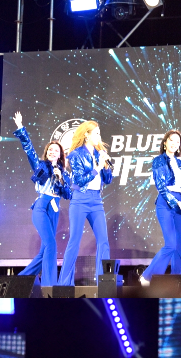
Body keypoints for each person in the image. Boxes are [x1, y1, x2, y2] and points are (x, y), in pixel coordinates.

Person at [11, 112, 72, 286]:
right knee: (51, 245)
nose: (52, 152)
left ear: (60, 155)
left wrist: (60, 178)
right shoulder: (40, 166)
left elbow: (68, 194)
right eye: (50, 150)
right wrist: (20, 127)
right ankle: (49, 285)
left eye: (56, 150)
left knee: (44, 251)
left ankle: (20, 281)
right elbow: (29, 149)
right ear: (47, 153)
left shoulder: (64, 174)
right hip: (41, 206)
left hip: (55, 208)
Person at [59, 121, 113, 286]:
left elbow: (108, 180)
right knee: (74, 240)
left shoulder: (99, 153)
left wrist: (105, 166)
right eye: (96, 133)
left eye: (99, 133)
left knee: (103, 240)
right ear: (86, 135)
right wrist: (97, 168)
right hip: (80, 199)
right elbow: (80, 180)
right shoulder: (76, 154)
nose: (99, 137)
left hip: (96, 200)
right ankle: (64, 284)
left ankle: (103, 282)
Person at [141, 130, 181, 284]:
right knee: (171, 244)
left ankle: (178, 280)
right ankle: (147, 276)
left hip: (180, 204)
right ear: (165, 142)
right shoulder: (159, 161)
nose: (174, 144)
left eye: (177, 142)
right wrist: (176, 202)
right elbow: (161, 187)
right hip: (165, 202)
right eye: (171, 140)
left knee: (179, 246)